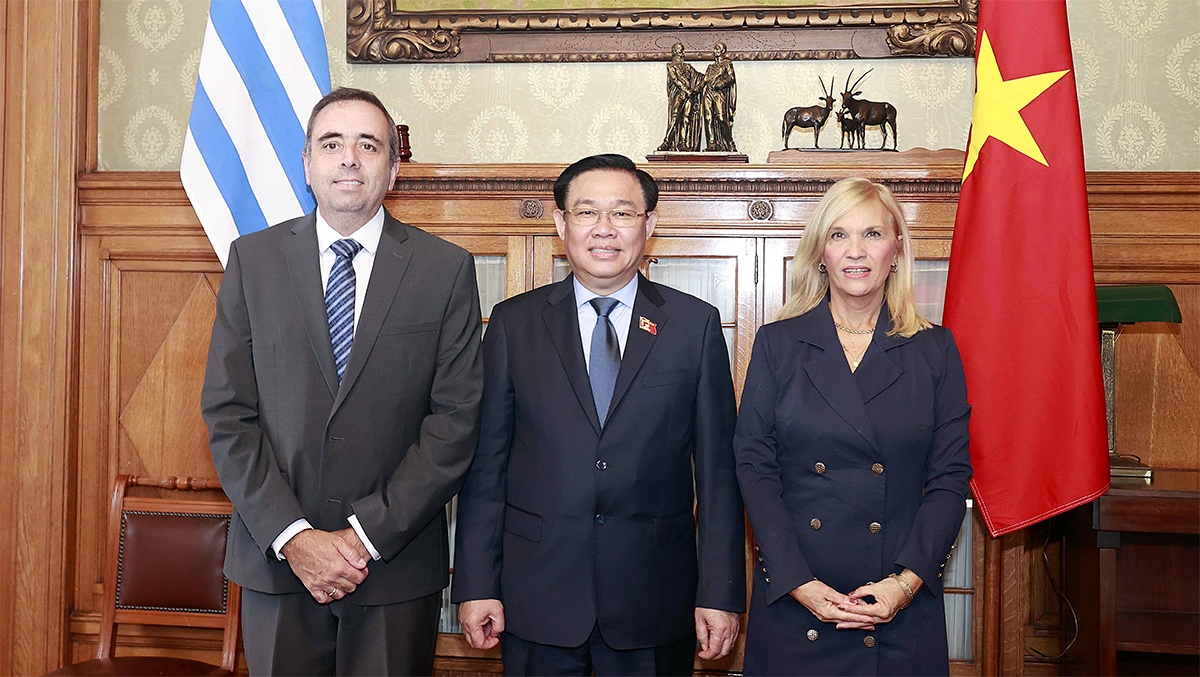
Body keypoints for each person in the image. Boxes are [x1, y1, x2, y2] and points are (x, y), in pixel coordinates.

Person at [201, 87, 484, 675]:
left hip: (391, 568)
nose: (349, 159)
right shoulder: (251, 262)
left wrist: (363, 538)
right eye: (332, 144)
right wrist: (294, 536)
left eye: (368, 144)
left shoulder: (445, 269)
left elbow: (454, 425)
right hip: (278, 565)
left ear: (393, 166)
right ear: (307, 163)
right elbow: (229, 416)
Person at [452, 154, 745, 676]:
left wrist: (720, 593)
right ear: (562, 223)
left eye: (623, 214)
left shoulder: (694, 327)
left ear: (649, 225)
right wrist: (476, 584)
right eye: (587, 213)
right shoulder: (513, 325)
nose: (604, 229)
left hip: (654, 604)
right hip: (536, 601)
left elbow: (719, 476)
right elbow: (486, 468)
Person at [733, 178, 972, 675]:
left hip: (897, 606)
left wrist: (904, 586)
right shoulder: (779, 344)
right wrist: (797, 581)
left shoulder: (935, 349)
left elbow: (950, 478)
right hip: (797, 600)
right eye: (839, 235)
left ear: (897, 249)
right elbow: (754, 467)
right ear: (820, 251)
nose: (856, 251)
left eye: (872, 234)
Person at [656, 43, 703, 152]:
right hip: (679, 94)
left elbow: (699, 77)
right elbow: (675, 79)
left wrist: (703, 82)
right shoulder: (671, 66)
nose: (680, 53)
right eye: (678, 50)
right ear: (674, 52)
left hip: (689, 95)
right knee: (675, 116)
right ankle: (667, 141)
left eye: (681, 50)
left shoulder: (688, 67)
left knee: (687, 118)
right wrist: (687, 90)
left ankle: (683, 142)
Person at [701, 42, 737, 153]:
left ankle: (730, 143)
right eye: (715, 48)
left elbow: (731, 78)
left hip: (719, 93)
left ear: (722, 51)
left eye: (717, 48)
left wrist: (721, 83)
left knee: (721, 118)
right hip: (708, 92)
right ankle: (711, 144)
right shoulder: (710, 67)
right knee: (708, 118)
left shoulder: (727, 63)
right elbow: (705, 80)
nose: (715, 50)